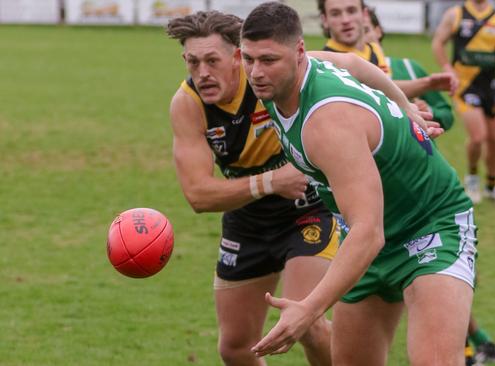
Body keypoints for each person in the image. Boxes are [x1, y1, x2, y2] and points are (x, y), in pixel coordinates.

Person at [166, 10, 440, 366]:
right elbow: (198, 195)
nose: (202, 73)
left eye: (212, 61)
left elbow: (353, 66)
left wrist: (405, 108)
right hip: (247, 220)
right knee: (234, 347)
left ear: (237, 57)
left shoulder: (268, 72)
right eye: (193, 62)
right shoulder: (188, 104)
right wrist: (270, 182)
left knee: (307, 322)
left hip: (307, 208)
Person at [240, 3, 477, 365]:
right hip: (368, 237)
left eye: (268, 60)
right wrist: (404, 105)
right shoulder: (280, 77)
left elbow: (369, 231)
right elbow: (353, 63)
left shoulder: (329, 123)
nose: (256, 72)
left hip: (429, 225)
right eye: (248, 58)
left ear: (299, 52)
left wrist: (308, 310)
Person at [366, 9, 495, 365]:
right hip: (368, 209)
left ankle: (472, 341)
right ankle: (473, 341)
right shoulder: (338, 81)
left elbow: (444, 112)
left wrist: (424, 113)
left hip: (423, 198)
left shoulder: (408, 69)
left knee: (441, 275)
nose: (359, 32)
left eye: (367, 26)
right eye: (340, 17)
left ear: (379, 30)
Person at [432, 0, 495, 207]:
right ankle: (472, 179)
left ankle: (492, 187)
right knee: (478, 136)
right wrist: (447, 67)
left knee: (494, 140)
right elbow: (438, 43)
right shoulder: (455, 15)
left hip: (490, 87)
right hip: (465, 87)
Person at [318, 0, 458, 100]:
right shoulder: (326, 63)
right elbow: (372, 93)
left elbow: (385, 88)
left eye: (351, 11)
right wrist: (425, 84)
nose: (345, 20)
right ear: (324, 20)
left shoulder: (373, 48)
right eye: (335, 14)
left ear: (365, 14)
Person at [364, 7, 454, 131]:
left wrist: (428, 111)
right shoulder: (343, 74)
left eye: (365, 30)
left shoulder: (408, 67)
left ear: (378, 31)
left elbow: (447, 115)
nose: (361, 38)